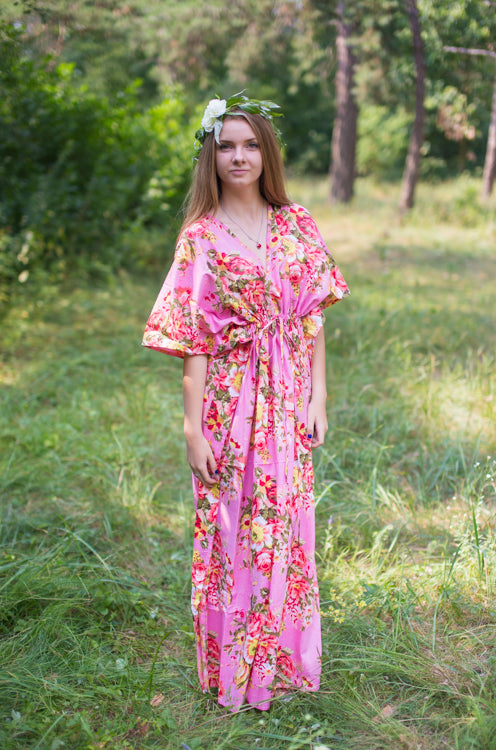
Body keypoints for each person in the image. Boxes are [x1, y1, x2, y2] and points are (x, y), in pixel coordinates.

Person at [142, 93, 349, 712]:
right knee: (234, 527)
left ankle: (283, 658)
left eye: (250, 144)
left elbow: (311, 316)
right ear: (212, 154)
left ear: (267, 153)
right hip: (229, 400)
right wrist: (191, 428)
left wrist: (319, 394)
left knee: (284, 520)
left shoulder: (297, 223)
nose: (239, 156)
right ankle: (232, 668)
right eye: (226, 145)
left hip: (288, 396)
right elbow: (193, 339)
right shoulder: (200, 237)